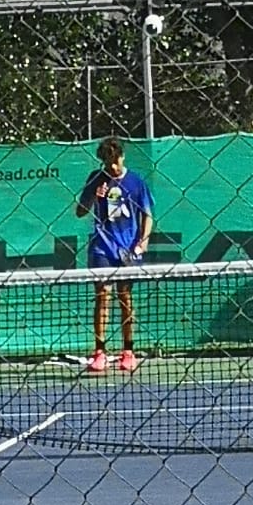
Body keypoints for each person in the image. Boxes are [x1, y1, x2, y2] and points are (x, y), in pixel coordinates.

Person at [74, 136, 153, 371]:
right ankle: (99, 352)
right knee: (102, 296)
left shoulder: (136, 183)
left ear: (122, 156)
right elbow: (80, 211)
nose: (112, 167)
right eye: (107, 162)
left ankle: (128, 351)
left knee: (125, 297)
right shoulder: (96, 179)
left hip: (127, 248)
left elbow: (147, 215)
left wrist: (143, 242)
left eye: (115, 161)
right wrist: (93, 198)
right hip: (102, 247)